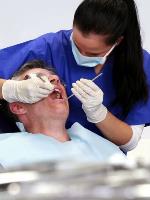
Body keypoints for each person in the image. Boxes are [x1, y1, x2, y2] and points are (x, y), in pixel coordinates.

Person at [0, 0, 150, 153]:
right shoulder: (49, 47)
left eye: (93, 53)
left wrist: (99, 113)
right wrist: (10, 89)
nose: (56, 80)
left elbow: (129, 142)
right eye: (76, 45)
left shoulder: (140, 65)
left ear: (118, 42)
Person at [0, 60, 126, 168]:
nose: (55, 79)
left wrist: (98, 111)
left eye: (56, 78)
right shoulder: (5, 151)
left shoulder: (105, 150)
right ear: (18, 107)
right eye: (38, 79)